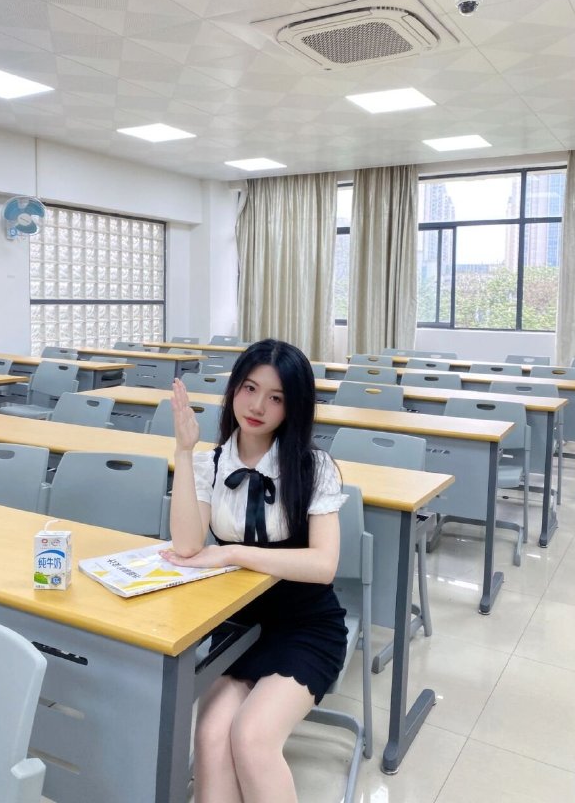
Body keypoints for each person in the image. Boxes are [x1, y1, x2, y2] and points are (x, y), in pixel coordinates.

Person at [160, 338, 347, 803]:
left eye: (276, 397)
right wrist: (184, 451)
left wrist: (233, 554)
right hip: (238, 627)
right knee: (210, 737)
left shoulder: (313, 467)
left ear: (293, 406)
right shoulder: (211, 463)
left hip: (305, 628)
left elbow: (323, 566)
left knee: (251, 738)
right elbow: (186, 545)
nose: (258, 406)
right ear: (234, 391)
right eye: (249, 388)